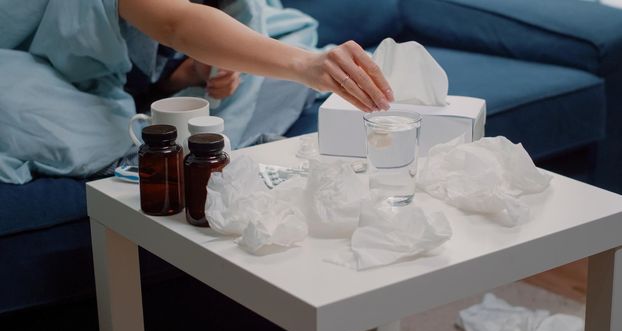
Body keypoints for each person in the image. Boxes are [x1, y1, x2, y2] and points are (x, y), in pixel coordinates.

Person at [0, 0, 393, 184]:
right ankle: (149, 151)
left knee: (286, 35)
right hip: (43, 63)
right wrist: (305, 65)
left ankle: (199, 142)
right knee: (22, 107)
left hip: (130, 83)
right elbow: (175, 25)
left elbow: (157, 62)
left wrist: (195, 71)